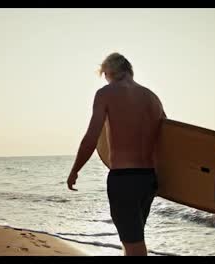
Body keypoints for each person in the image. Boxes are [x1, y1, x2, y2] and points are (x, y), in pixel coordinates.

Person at [67, 52, 166, 256]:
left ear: (109, 72)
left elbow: (92, 137)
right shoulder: (152, 98)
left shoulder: (106, 93)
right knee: (134, 239)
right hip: (148, 180)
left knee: (133, 245)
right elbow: (167, 140)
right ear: (129, 70)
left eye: (105, 75)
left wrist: (75, 170)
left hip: (124, 180)